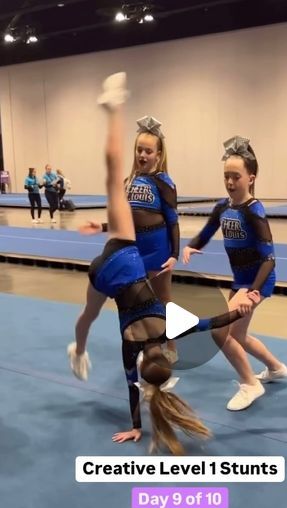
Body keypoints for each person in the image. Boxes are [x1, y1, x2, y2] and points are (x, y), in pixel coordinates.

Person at [67, 73, 257, 455]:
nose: (142, 155)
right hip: (111, 266)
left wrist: (237, 308)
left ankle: (114, 109)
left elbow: (211, 322)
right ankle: (80, 349)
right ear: (143, 363)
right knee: (87, 317)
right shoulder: (128, 345)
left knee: (107, 179)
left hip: (129, 254)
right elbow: (131, 386)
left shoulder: (172, 323)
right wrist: (138, 426)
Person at [183, 136, 287, 411]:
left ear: (251, 178)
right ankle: (276, 369)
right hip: (241, 281)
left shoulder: (254, 211)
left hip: (257, 280)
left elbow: (270, 258)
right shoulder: (223, 207)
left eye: (236, 177)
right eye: (226, 177)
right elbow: (207, 231)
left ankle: (250, 384)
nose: (230, 183)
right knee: (237, 336)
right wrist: (191, 247)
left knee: (219, 332)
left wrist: (252, 292)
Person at [78, 115, 179, 363]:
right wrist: (102, 225)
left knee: (164, 299)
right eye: (139, 150)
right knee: (139, 304)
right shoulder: (128, 182)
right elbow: (125, 219)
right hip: (134, 253)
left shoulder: (164, 182)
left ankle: (172, 347)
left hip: (157, 251)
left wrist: (174, 254)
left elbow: (173, 221)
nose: (143, 155)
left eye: (148, 151)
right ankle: (147, 344)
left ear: (158, 154)